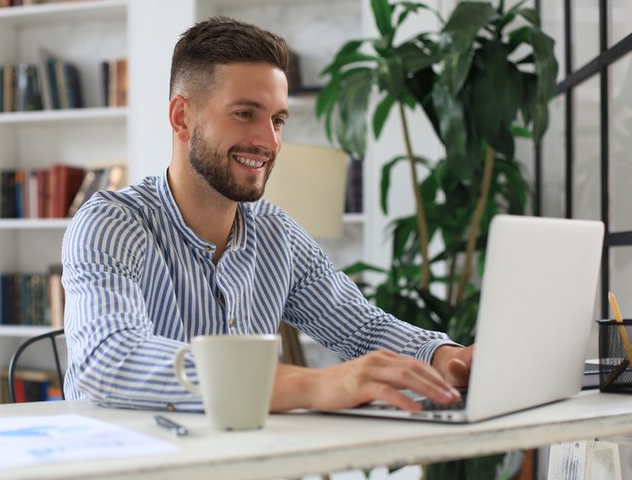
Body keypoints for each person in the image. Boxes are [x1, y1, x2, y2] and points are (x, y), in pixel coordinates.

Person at [61, 16, 473, 413]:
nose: (269, 141)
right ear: (182, 117)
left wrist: (447, 358)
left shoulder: (278, 234)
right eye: (245, 114)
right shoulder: (110, 223)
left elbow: (363, 329)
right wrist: (311, 385)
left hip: (238, 451)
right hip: (127, 452)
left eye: (277, 120)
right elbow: (109, 358)